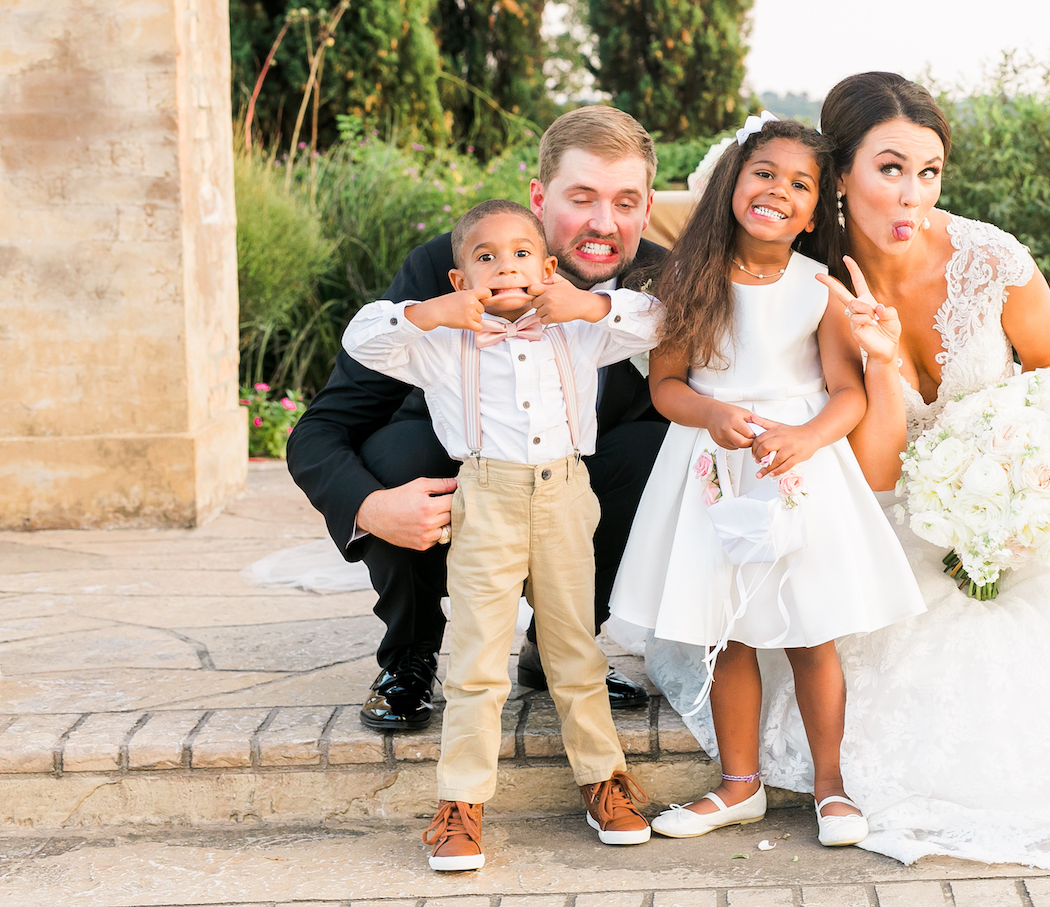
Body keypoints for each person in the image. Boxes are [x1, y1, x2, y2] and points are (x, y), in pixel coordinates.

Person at [640, 73, 1050, 869]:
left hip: (997, 504)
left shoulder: (991, 259)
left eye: (929, 172)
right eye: (890, 169)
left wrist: (1020, 468)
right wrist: (880, 366)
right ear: (840, 176)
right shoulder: (810, 276)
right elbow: (873, 464)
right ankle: (780, 780)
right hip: (879, 512)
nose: (913, 194)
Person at [286, 106, 667, 731]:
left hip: (575, 489)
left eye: (624, 202)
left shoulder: (662, 281)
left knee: (658, 450)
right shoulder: (450, 265)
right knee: (399, 457)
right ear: (540, 199)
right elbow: (323, 428)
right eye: (581, 199)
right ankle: (409, 656)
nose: (604, 223)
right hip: (464, 477)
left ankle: (560, 648)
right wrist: (368, 507)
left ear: (647, 209)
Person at [607, 117, 925, 848]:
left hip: (800, 470)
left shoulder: (820, 287)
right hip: (714, 467)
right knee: (729, 634)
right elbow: (667, 386)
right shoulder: (689, 279)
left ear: (814, 212)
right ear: (734, 182)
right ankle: (739, 785)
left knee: (812, 634)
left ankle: (831, 785)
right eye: (765, 173)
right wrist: (712, 413)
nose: (779, 190)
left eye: (800, 184)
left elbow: (847, 393)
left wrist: (806, 438)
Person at [343, 199, 659, 868]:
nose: (505, 266)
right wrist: (431, 314)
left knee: (575, 649)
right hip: (485, 499)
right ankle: (461, 804)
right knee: (477, 659)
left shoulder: (579, 331)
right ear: (461, 281)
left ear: (547, 270)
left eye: (521, 254)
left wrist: (587, 305)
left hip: (565, 494)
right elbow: (362, 339)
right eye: (485, 257)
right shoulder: (440, 344)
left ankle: (603, 780)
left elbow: (658, 321)